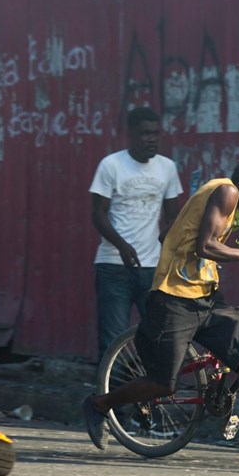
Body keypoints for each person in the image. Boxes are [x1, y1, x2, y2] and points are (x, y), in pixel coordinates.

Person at [81, 153, 239, 474]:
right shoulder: (227, 192)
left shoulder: (225, 201)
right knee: (162, 385)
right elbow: (206, 246)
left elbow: (167, 234)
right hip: (173, 299)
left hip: (205, 296)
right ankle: (99, 404)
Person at [89, 107, 182, 360]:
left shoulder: (167, 168)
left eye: (155, 133)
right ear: (130, 134)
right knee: (113, 340)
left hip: (152, 268)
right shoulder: (111, 165)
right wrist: (121, 245)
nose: (151, 138)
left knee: (158, 335)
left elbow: (174, 217)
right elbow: (98, 213)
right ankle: (108, 398)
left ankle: (142, 396)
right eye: (144, 133)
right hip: (113, 267)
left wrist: (170, 244)